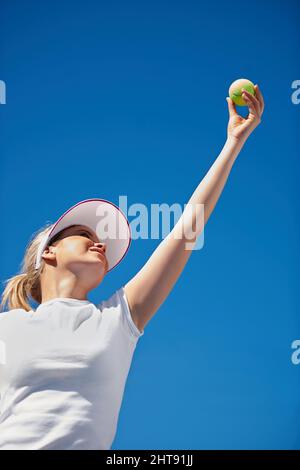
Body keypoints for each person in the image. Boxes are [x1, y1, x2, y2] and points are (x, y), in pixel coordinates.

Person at [0, 86, 265, 450]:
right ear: (49, 254)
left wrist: (233, 143)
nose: (99, 244)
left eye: (103, 243)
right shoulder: (7, 327)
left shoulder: (117, 319)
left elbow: (188, 227)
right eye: (81, 234)